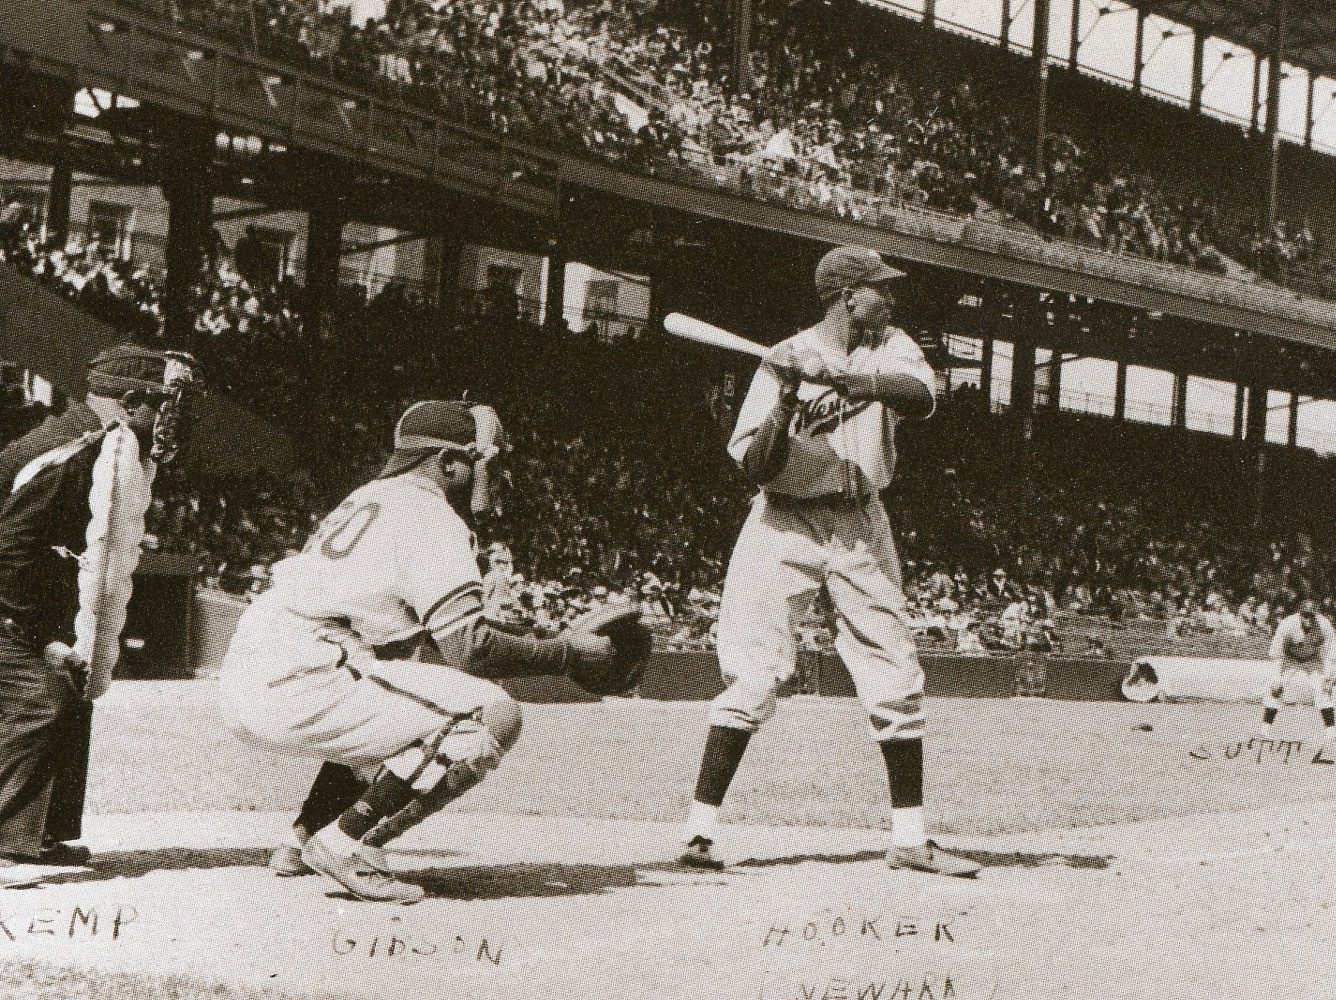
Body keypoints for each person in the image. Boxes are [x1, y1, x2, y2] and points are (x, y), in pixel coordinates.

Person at [218, 400, 622, 903]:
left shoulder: (371, 495)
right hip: (308, 665)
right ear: (449, 462)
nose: (485, 471)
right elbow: (470, 650)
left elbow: (412, 645)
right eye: (477, 460)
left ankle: (303, 840)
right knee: (487, 713)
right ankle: (348, 845)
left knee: (405, 699)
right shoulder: (432, 516)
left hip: (265, 653)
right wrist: (567, 654)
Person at [673, 245, 978, 878]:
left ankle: (910, 838)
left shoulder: (890, 345)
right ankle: (699, 835)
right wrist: (787, 393)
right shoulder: (783, 356)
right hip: (783, 522)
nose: (890, 298)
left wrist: (847, 379)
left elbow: (922, 398)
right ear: (846, 296)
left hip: (862, 521)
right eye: (879, 289)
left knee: (894, 670)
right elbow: (756, 466)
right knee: (754, 672)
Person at [0, 345, 202, 887]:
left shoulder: (98, 442)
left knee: (68, 690)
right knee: (36, 702)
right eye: (159, 404)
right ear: (132, 400)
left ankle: (38, 834)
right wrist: (31, 629)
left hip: (34, 596)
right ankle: (5, 847)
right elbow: (13, 546)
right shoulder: (72, 448)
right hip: (10, 601)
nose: (166, 417)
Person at [1260, 597, 1336, 739]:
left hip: (1313, 659)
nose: (1308, 619)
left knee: (1323, 689)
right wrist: (1276, 677)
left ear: (1316, 614)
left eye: (1311, 616)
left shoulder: (1323, 624)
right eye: (1305, 615)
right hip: (1289, 659)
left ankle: (1331, 731)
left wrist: (1328, 677)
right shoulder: (1287, 624)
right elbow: (1277, 653)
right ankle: (1265, 729)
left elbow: (1330, 653)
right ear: (1299, 613)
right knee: (1275, 689)